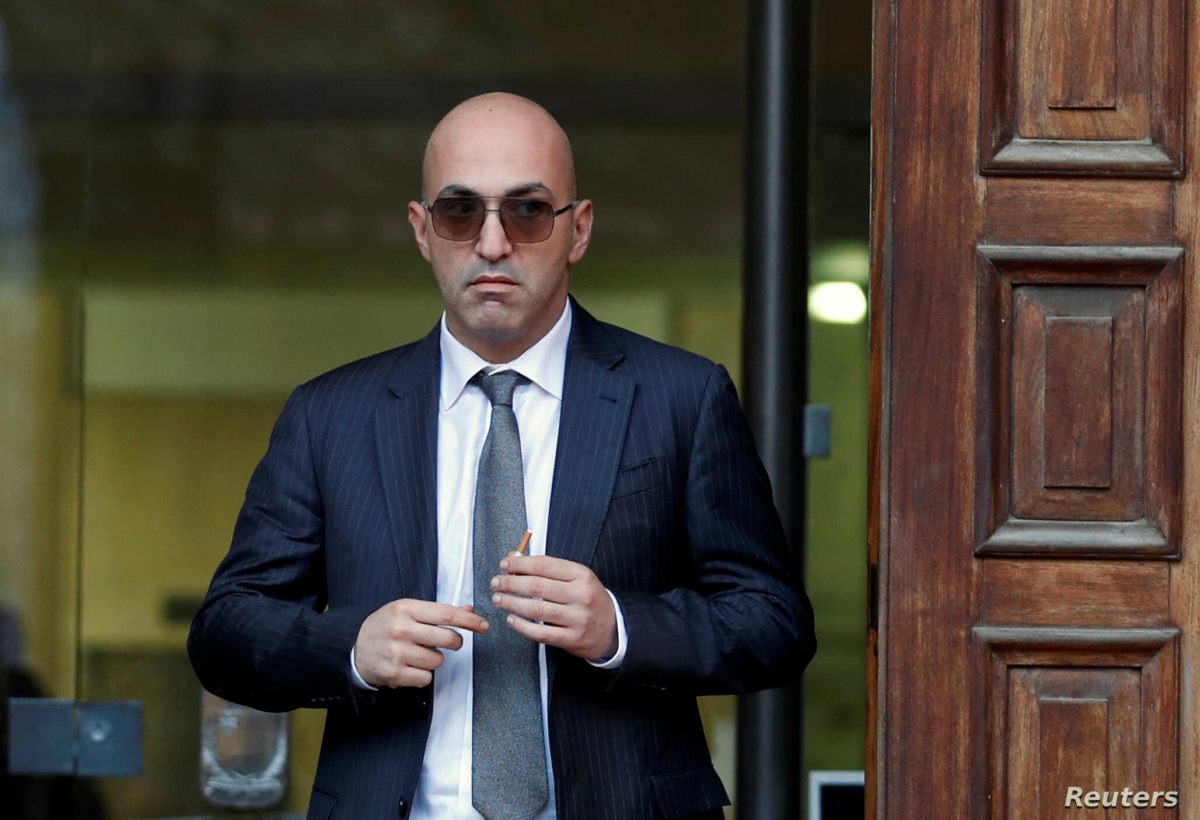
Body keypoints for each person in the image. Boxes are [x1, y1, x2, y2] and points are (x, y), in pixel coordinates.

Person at [188, 92, 815, 820]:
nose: (492, 244)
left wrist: (619, 626)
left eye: (527, 210)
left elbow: (773, 622)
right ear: (422, 231)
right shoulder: (330, 415)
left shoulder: (682, 396)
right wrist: (351, 647)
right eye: (460, 212)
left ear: (578, 229)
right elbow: (226, 632)